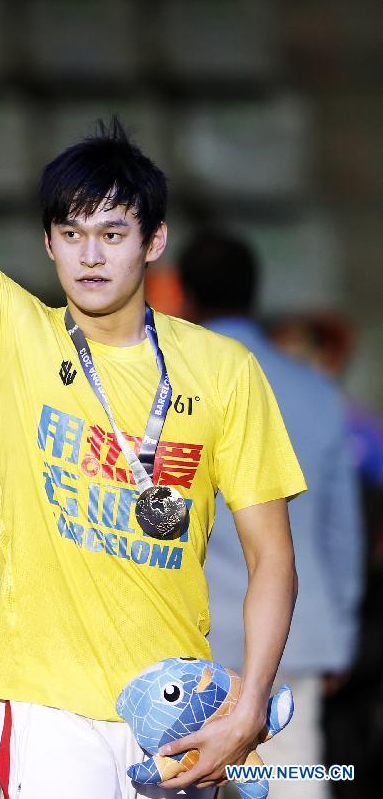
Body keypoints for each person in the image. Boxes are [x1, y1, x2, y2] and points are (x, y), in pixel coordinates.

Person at [0, 0, 307, 799]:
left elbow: (273, 561)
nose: (90, 255)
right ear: (51, 246)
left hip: (176, 708)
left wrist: (249, 703)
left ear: (154, 242)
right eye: (71, 234)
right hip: (48, 705)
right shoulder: (9, 333)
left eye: (112, 233)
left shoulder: (223, 371)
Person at [179, 231, 364, 798]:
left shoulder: (165, 387)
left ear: (184, 295)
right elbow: (341, 532)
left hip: (187, 640)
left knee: (177, 784)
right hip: (293, 638)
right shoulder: (318, 392)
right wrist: (341, 631)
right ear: (257, 295)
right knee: (292, 785)